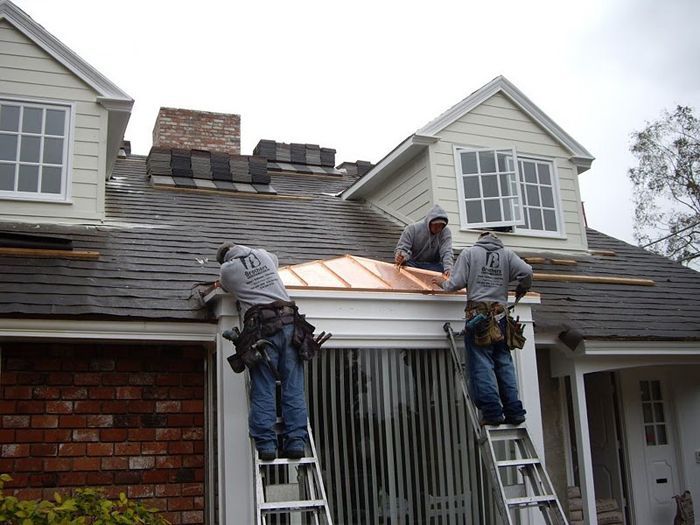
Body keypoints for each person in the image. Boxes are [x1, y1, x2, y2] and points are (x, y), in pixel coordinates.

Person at [218, 242, 317, 461]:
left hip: (263, 329)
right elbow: (274, 261)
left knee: (264, 386)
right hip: (291, 325)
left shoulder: (228, 269)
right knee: (293, 386)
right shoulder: (263, 254)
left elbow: (225, 287)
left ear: (226, 258)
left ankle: (266, 446)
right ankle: (296, 443)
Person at [436, 232, 532, 426]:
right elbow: (528, 272)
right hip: (501, 317)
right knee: (504, 363)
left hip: (479, 316)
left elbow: (455, 283)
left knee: (482, 364)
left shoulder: (470, 253)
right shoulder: (507, 255)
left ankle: (492, 412)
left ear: (479, 239)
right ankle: (514, 412)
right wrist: (523, 287)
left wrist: (442, 283)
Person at [394, 204, 454, 277]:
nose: (438, 228)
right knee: (404, 266)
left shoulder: (445, 232)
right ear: (429, 222)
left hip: (433, 266)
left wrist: (448, 269)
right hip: (413, 264)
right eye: (435, 224)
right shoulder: (412, 229)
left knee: (443, 270)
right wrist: (401, 257)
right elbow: (402, 249)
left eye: (440, 225)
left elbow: (447, 252)